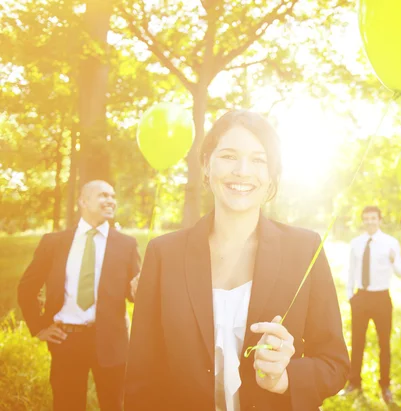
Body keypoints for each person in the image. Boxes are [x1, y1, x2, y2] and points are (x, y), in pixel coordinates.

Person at [124, 110, 349, 411]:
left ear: (272, 176)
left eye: (259, 160)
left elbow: (334, 364)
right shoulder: (163, 254)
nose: (243, 171)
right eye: (229, 156)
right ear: (206, 165)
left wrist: (285, 378)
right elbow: (142, 375)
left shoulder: (305, 249)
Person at [18, 180, 141, 411]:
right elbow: (26, 287)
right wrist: (40, 326)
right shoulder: (54, 243)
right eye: (103, 195)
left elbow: (134, 292)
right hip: (67, 340)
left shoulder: (126, 245)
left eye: (113, 196)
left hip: (111, 341)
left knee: (115, 405)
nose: (111, 201)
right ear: (83, 201)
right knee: (67, 405)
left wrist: (139, 290)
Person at [343, 206, 401, 404]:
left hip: (381, 298)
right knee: (357, 342)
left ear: (379, 220)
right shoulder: (356, 243)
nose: (370, 221)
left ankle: (385, 385)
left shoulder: (390, 243)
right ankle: (354, 382)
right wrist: (350, 296)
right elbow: (351, 271)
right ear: (363, 220)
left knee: (384, 343)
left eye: (373, 218)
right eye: (366, 218)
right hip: (360, 298)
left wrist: (394, 261)